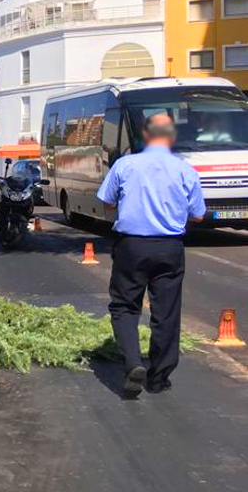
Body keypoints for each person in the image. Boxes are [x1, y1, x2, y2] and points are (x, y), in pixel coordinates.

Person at [96, 113, 206, 399]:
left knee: (124, 306)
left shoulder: (125, 165)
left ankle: (133, 363)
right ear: (170, 136)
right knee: (166, 312)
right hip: (170, 247)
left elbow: (106, 200)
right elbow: (198, 215)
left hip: (131, 246)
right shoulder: (185, 170)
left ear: (145, 135)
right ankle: (159, 378)